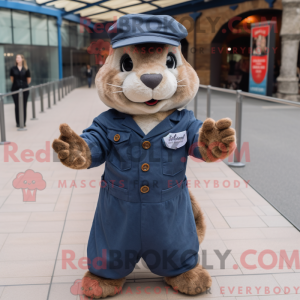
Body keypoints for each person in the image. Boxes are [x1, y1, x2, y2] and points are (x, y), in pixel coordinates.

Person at [10, 54, 31, 127]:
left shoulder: (26, 69)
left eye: (18, 57)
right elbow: (12, 79)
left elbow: (28, 80)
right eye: (16, 58)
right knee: (17, 106)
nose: (17, 59)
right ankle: (18, 122)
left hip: (25, 90)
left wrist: (23, 85)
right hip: (15, 89)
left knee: (24, 106)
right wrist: (17, 85)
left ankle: (23, 122)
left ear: (22, 59)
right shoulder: (13, 69)